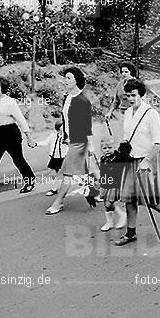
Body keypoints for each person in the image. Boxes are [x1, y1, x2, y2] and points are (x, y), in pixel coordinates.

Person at [114, 79, 160, 246]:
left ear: (141, 94)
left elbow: (159, 141)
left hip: (146, 160)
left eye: (134, 95)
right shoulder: (127, 113)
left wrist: (146, 160)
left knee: (148, 199)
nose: (130, 98)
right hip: (130, 159)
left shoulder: (151, 113)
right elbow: (127, 137)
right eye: (128, 95)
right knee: (128, 198)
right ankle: (131, 233)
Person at [46, 67, 98, 215]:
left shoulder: (83, 101)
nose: (65, 80)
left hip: (80, 142)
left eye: (68, 78)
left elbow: (87, 126)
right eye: (65, 77)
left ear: (76, 80)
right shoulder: (67, 97)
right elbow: (65, 119)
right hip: (71, 140)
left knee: (68, 173)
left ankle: (58, 202)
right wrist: (65, 136)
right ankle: (93, 192)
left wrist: (91, 146)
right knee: (81, 171)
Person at [36, 120, 69, 197]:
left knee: (65, 175)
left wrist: (67, 142)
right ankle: (58, 186)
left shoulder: (67, 137)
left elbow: (73, 145)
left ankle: (55, 189)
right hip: (54, 158)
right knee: (53, 173)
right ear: (57, 129)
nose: (64, 130)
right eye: (62, 129)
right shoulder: (52, 136)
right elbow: (46, 142)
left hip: (63, 158)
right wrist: (36, 144)